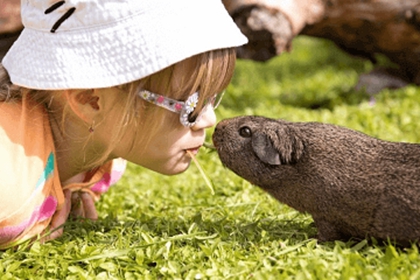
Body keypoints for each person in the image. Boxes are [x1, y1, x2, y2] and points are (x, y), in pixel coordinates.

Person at [0, 0, 247, 249]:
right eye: (190, 104)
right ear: (89, 100)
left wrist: (63, 187)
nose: (209, 119)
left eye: (212, 98)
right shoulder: (7, 180)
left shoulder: (105, 158)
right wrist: (24, 218)